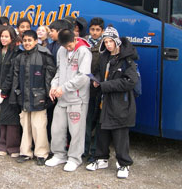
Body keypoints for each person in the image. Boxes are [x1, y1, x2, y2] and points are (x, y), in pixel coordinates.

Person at [86, 25, 139, 179]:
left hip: (120, 103)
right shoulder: (104, 57)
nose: (108, 45)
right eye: (106, 41)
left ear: (117, 41)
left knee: (120, 134)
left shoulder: (127, 60)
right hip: (105, 101)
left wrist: (105, 85)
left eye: (110, 41)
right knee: (102, 131)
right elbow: (101, 73)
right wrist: (96, 80)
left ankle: (124, 164)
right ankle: (101, 158)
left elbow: (130, 82)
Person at [45, 29, 92, 172]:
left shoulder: (84, 52)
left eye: (70, 46)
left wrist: (64, 88)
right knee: (57, 129)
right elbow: (59, 71)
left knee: (76, 130)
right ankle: (59, 155)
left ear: (75, 39)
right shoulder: (61, 51)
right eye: (65, 46)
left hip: (77, 99)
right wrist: (54, 86)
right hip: (62, 98)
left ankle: (74, 158)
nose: (68, 49)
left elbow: (83, 77)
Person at [10, 30, 56, 166]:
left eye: (30, 40)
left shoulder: (44, 55)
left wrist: (48, 95)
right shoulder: (20, 57)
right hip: (23, 96)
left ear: (36, 41)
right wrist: (15, 94)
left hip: (39, 97)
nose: (27, 43)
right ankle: (25, 152)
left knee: (39, 126)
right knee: (26, 125)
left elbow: (49, 76)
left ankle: (42, 153)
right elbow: (15, 77)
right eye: (25, 41)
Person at [0, 25, 21, 157]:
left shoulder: (16, 52)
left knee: (12, 120)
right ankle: (2, 146)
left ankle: (13, 147)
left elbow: (12, 74)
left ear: (12, 38)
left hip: (10, 90)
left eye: (6, 36)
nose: (3, 39)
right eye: (2, 36)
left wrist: (4, 89)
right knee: (1, 118)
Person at [84, 17, 105, 161]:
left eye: (98, 30)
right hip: (86, 88)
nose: (95, 33)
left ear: (102, 31)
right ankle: (84, 150)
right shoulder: (84, 43)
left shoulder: (106, 44)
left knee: (99, 121)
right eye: (92, 29)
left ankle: (94, 151)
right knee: (86, 120)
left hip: (100, 88)